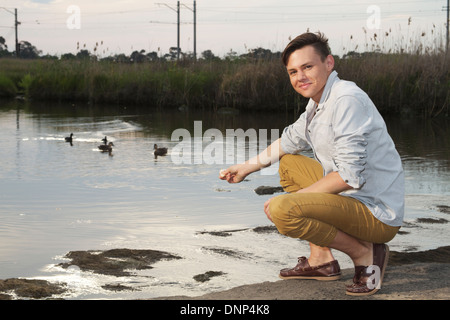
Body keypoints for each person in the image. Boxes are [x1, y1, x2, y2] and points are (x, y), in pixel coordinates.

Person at [219, 32, 404, 296]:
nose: (300, 77)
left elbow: (349, 177)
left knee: (284, 210)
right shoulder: (318, 103)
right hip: (352, 197)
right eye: (293, 72)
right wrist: (246, 168)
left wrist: (297, 201)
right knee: (289, 164)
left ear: (329, 63)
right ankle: (321, 260)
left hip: (375, 211)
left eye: (308, 67)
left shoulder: (346, 99)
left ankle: (365, 253)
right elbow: (289, 141)